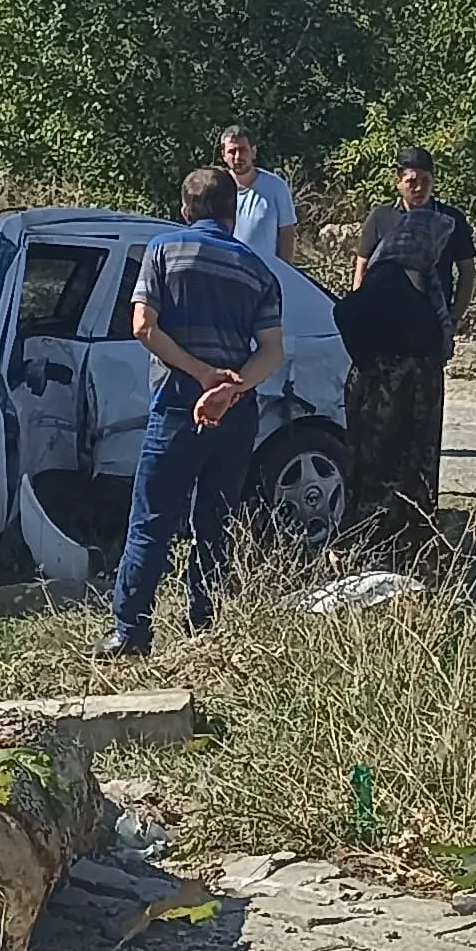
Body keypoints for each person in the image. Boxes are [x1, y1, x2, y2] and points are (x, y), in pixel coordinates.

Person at [101, 166, 287, 658]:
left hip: (178, 405)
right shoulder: (257, 270)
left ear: (185, 210)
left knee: (152, 519)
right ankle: (204, 624)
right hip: (235, 413)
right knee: (216, 520)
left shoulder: (162, 250)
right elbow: (272, 351)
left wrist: (201, 375)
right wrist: (232, 387)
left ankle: (130, 631)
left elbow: (143, 326)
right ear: (232, 213)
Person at [335, 145, 471, 559]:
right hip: (384, 354)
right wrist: (367, 315)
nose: (417, 184)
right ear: (398, 180)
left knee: (420, 445)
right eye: (409, 177)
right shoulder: (382, 219)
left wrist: (452, 317)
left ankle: (413, 525)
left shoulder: (449, 221)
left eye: (424, 177)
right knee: (379, 448)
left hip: (425, 349)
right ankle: (377, 528)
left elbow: (465, 271)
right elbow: (359, 276)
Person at [215, 127, 296, 259]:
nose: (237, 157)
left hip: (264, 274)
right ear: (224, 155)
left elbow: (287, 233)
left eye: (242, 150)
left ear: (253, 152)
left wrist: (285, 273)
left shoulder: (275, 187)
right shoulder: (216, 188)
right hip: (227, 272)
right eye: (232, 151)